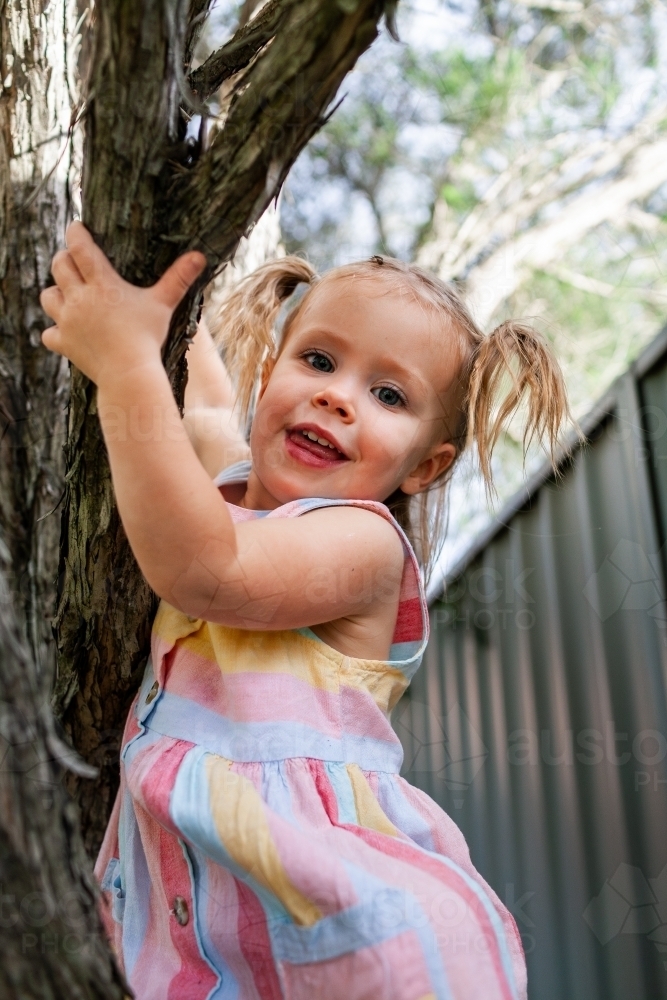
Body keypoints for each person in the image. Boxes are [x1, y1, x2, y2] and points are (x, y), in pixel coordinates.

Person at [41, 222, 568, 1000]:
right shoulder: (229, 486)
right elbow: (207, 413)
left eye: (387, 395)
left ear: (424, 466)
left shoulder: (362, 545)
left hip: (339, 911)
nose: (335, 395)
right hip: (197, 911)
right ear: (273, 368)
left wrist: (123, 365)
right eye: (317, 360)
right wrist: (151, 332)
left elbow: (204, 568)